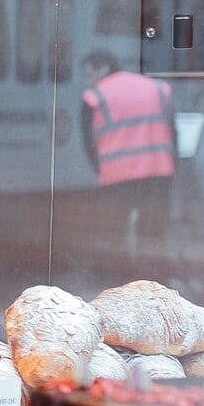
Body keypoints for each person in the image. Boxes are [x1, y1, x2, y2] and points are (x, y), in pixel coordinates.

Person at [79, 49, 176, 257]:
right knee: (152, 233)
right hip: (158, 172)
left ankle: (119, 279)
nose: (88, 81)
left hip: (117, 175)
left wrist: (100, 169)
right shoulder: (156, 88)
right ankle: (152, 280)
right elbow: (172, 132)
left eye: (89, 75)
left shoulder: (95, 97)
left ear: (103, 68)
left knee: (113, 234)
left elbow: (89, 142)